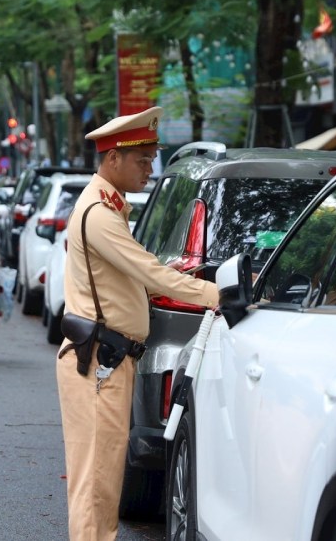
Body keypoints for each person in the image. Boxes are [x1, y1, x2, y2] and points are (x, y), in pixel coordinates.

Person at [56, 106, 220, 541]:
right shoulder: (99, 214)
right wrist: (214, 295)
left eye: (151, 159)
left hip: (107, 358)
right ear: (114, 159)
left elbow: (134, 281)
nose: (150, 169)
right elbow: (150, 272)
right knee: (96, 483)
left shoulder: (109, 208)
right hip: (99, 361)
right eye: (143, 160)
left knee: (104, 478)